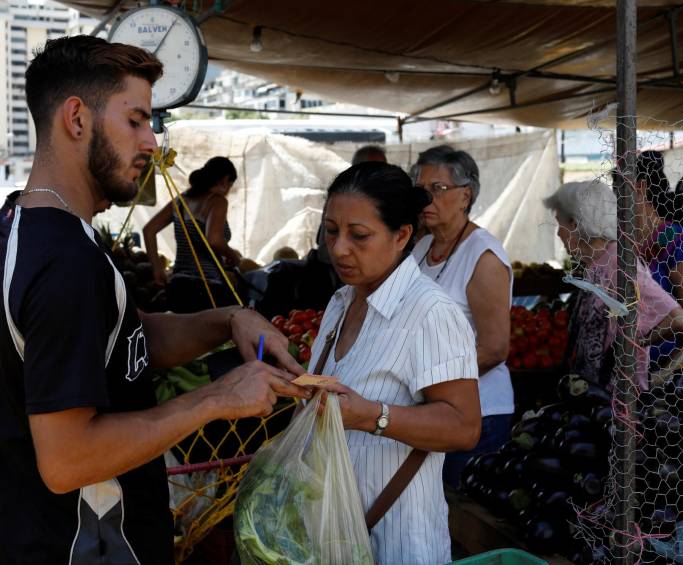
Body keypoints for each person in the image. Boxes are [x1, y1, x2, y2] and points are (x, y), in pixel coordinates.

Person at [0, 36, 310, 565]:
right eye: (136, 121)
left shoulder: (29, 226)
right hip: (84, 548)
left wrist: (227, 319)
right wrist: (216, 399)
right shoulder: (65, 263)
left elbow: (127, 334)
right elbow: (68, 458)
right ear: (76, 119)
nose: (151, 142)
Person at [310, 161, 481, 564]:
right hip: (333, 537)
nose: (338, 249)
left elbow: (464, 426)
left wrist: (371, 415)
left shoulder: (430, 311)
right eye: (331, 231)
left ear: (402, 235)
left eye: (359, 236)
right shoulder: (339, 304)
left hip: (397, 540)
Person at [409, 145, 513, 488]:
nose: (426, 199)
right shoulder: (422, 247)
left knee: (460, 518)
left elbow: (495, 348)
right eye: (421, 190)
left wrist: (433, 387)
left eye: (437, 189)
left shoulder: (483, 256)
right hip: (432, 410)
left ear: (465, 195)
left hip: (477, 414)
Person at [544, 180, 683, 389]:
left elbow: (680, 320)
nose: (559, 233)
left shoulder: (618, 264)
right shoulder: (597, 263)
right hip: (594, 396)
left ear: (577, 224)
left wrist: (636, 342)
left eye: (560, 224)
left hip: (618, 403)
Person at [631, 151, 683, 366]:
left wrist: (668, 377)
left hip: (663, 373)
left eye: (618, 187)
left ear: (640, 187)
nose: (614, 196)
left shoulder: (676, 242)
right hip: (628, 370)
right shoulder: (623, 243)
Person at [143, 156, 243, 313]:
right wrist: (234, 257)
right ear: (225, 180)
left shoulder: (181, 200)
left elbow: (148, 230)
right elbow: (214, 240)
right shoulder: (217, 201)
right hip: (208, 289)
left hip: (178, 286)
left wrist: (157, 268)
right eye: (230, 185)